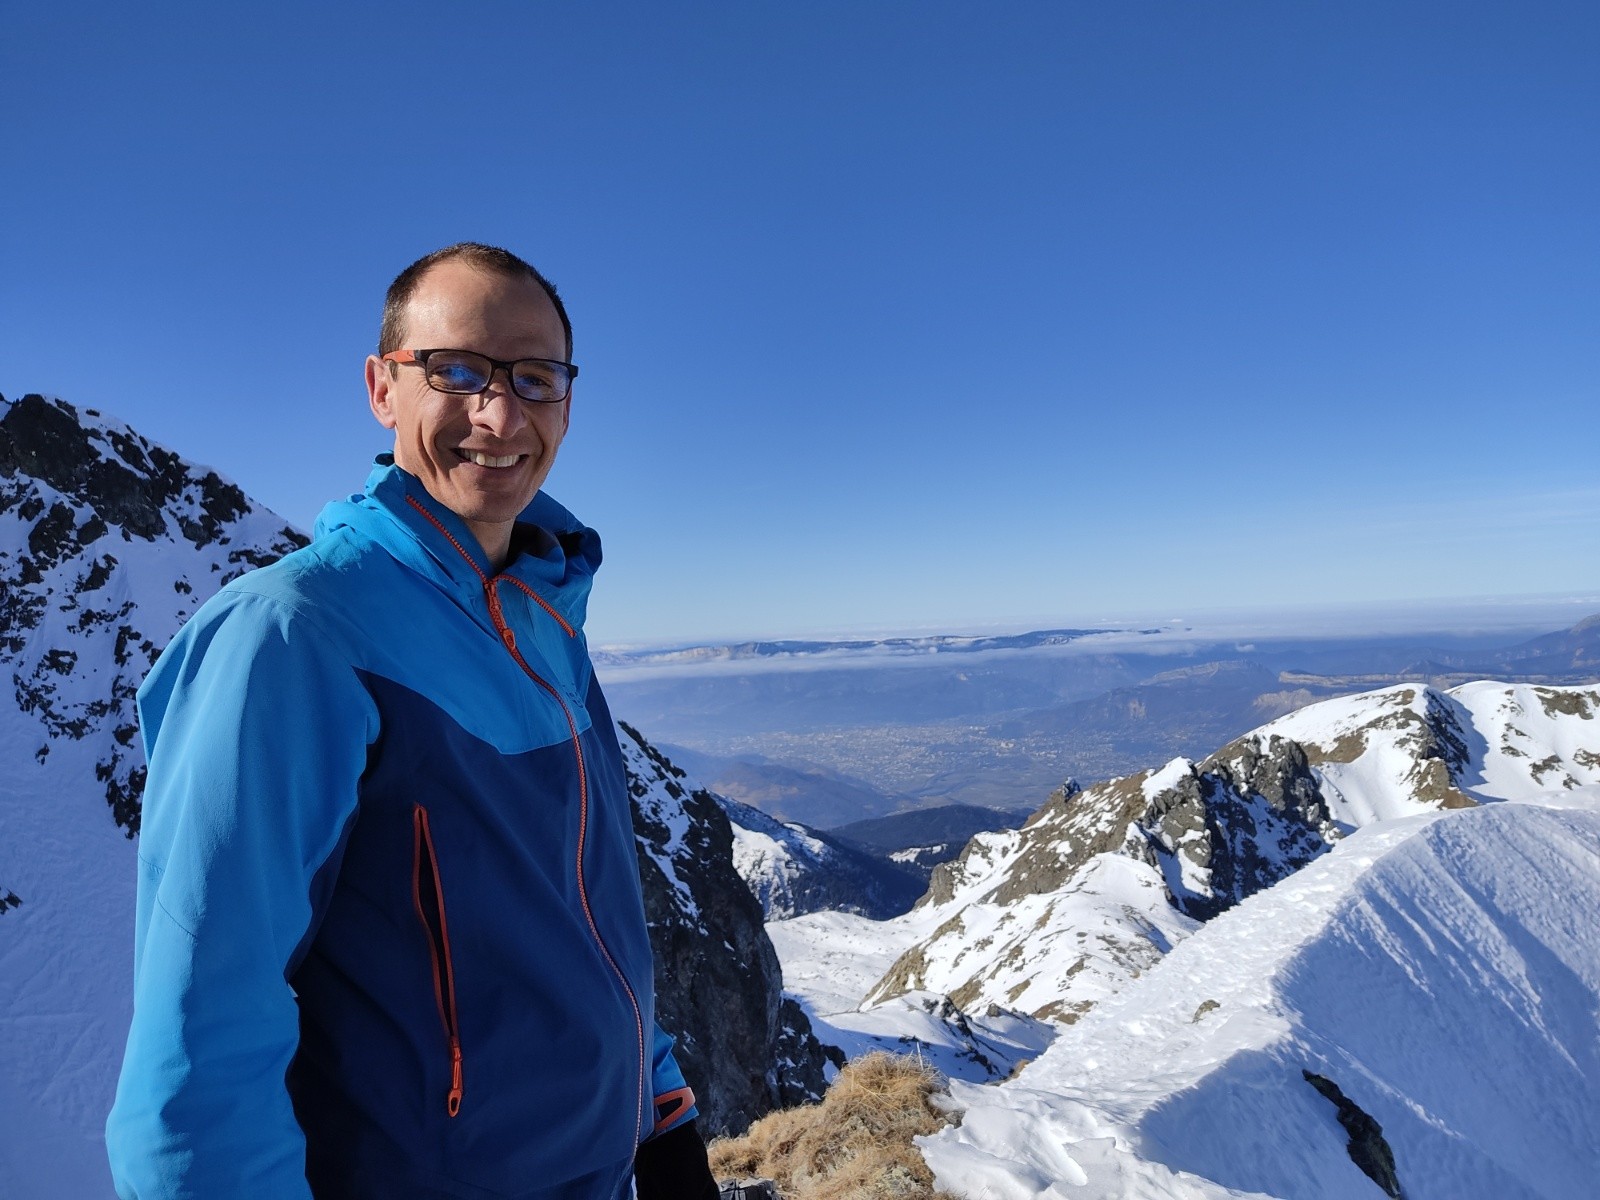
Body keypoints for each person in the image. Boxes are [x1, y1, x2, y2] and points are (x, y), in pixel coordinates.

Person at [106, 243, 719, 1200]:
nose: (501, 414)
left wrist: (661, 1112)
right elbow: (199, 1055)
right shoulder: (293, 637)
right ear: (382, 388)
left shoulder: (547, 612)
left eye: (536, 376)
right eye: (458, 370)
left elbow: (590, 916)